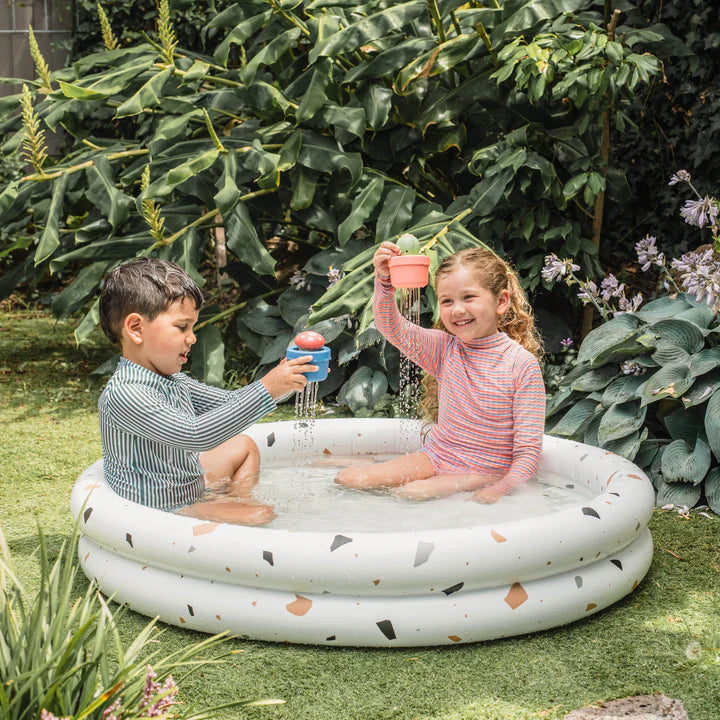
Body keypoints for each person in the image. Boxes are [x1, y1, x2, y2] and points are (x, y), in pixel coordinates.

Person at [97, 257, 317, 525]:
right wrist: (267, 388)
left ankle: (229, 503)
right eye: (182, 327)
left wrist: (287, 381)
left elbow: (231, 402)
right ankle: (212, 514)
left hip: (190, 486)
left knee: (244, 446)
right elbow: (195, 434)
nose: (192, 338)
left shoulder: (173, 381)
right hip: (164, 508)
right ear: (136, 328)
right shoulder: (126, 394)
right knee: (262, 514)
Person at [336, 243, 546, 503]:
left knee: (412, 493)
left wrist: (499, 488)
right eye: (447, 301)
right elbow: (390, 326)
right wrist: (384, 280)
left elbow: (528, 454)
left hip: (485, 469)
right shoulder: (444, 349)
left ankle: (480, 480)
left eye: (468, 297)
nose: (457, 309)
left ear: (501, 301)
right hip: (437, 456)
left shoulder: (521, 364)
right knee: (349, 479)